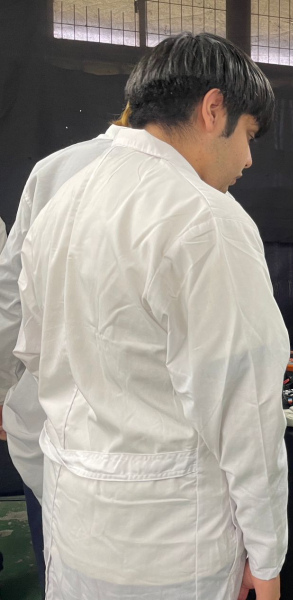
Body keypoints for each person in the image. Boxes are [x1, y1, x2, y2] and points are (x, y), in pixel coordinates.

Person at [13, 33, 289, 600]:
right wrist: (267, 557)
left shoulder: (62, 201)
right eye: (248, 134)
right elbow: (247, 412)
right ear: (213, 109)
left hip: (75, 518)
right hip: (170, 541)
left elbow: (36, 354)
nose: (248, 159)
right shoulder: (207, 219)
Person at [0, 107, 132, 592]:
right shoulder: (192, 189)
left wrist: (4, 385)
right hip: (121, 439)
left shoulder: (54, 170)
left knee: (57, 561)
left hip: (50, 419)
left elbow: (10, 294)